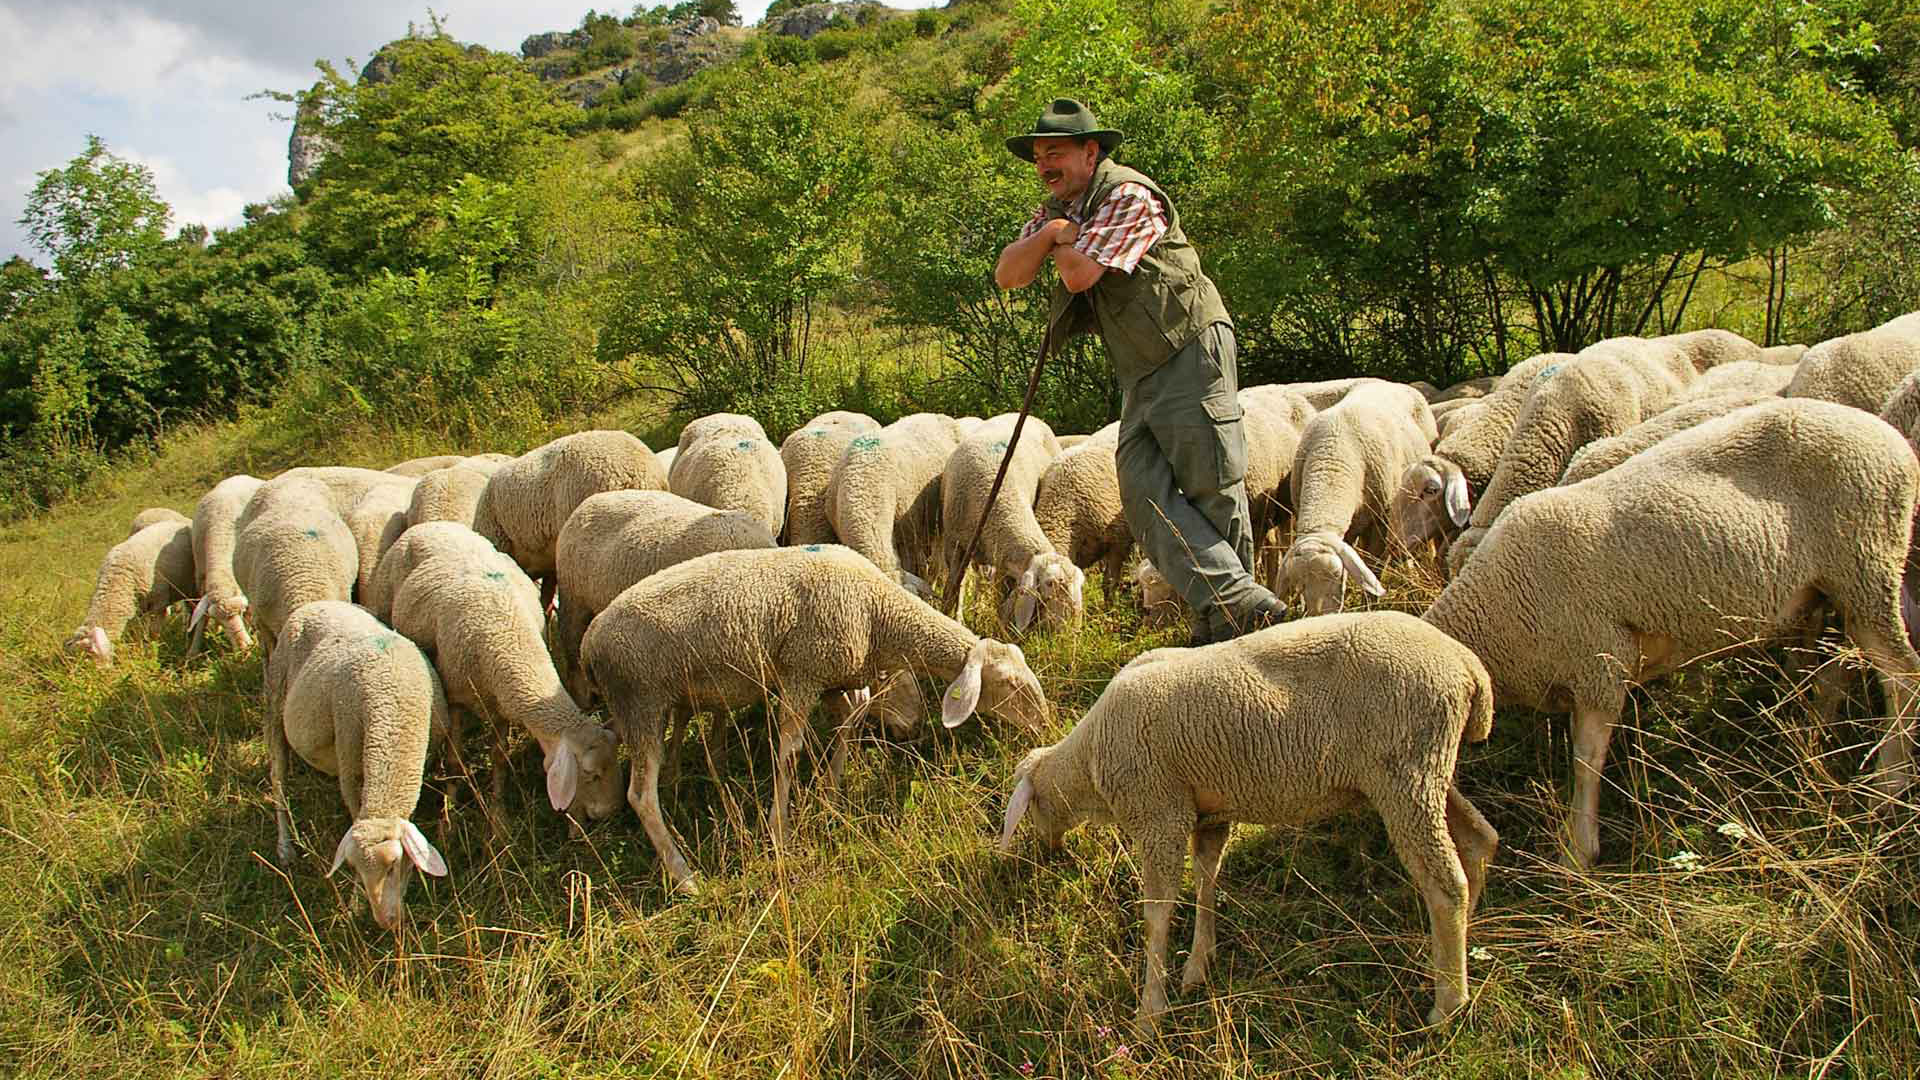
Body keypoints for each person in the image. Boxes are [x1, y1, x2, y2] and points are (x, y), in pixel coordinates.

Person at [994, 98, 1285, 643]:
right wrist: (1052, 234)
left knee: (1211, 485)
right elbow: (1009, 273)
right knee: (1140, 491)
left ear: (1090, 151)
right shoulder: (1062, 212)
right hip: (1141, 367)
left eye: (1054, 154)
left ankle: (1234, 621)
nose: (1044, 167)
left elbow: (1079, 275)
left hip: (1188, 345)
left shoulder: (1129, 195)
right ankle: (1235, 604)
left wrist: (1059, 241)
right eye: (1037, 158)